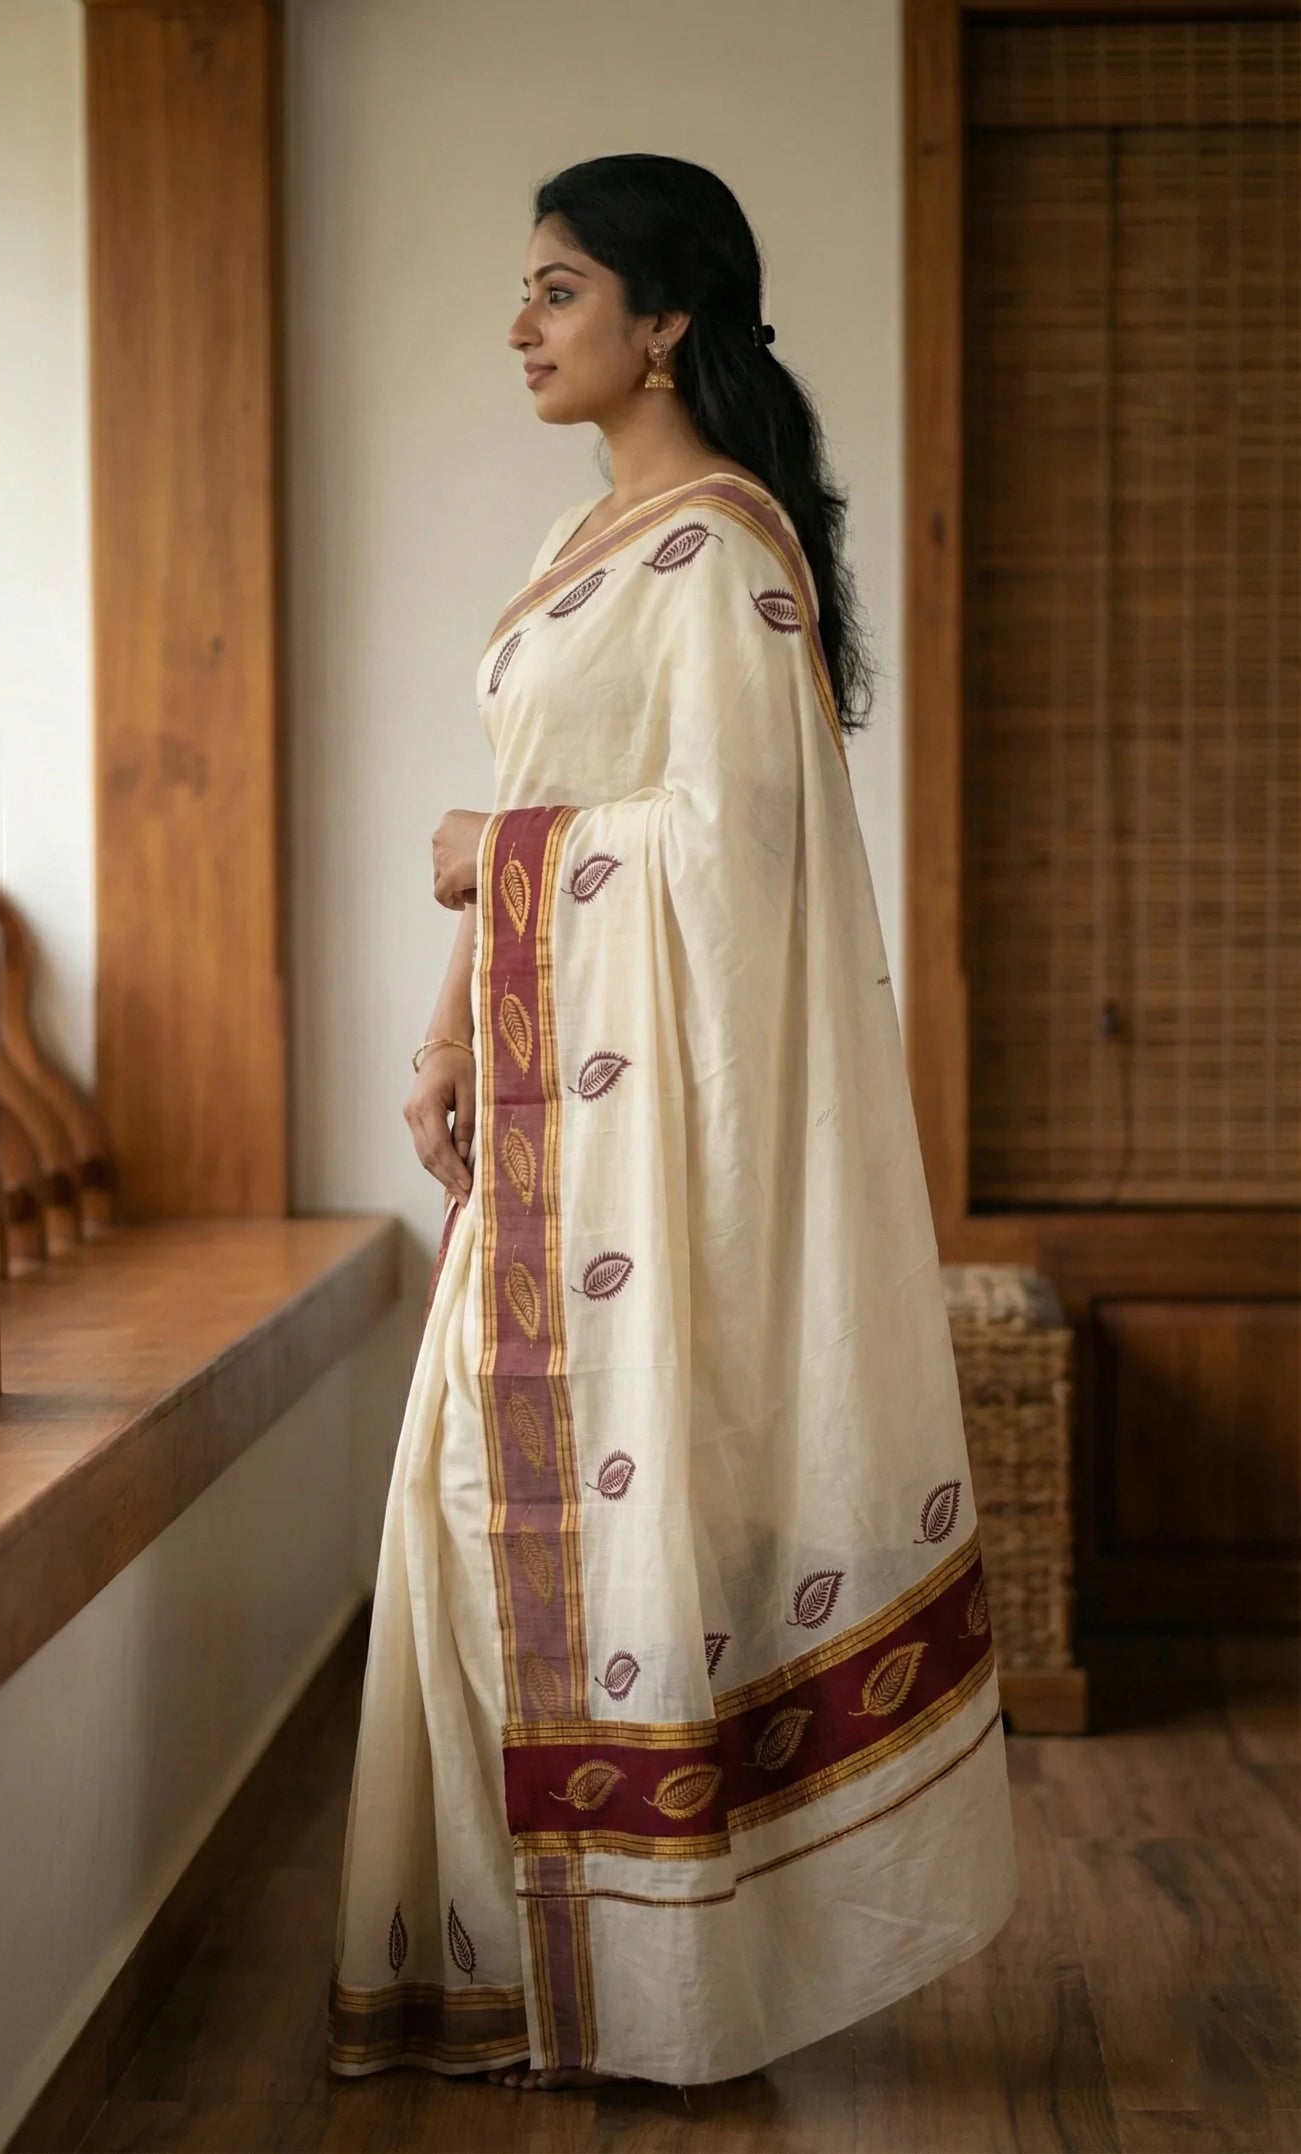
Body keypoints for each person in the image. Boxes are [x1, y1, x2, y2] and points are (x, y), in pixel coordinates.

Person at [327, 152, 1018, 2095]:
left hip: (638, 1152)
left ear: (666, 323)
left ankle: (649, 1998)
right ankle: (520, 1979)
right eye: (526, 290)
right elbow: (552, 795)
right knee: (474, 1517)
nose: (523, 326)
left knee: (581, 1534)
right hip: (544, 1113)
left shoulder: (725, 557)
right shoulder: (599, 544)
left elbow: (735, 866)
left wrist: (494, 869)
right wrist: (447, 1026)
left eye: (559, 291)